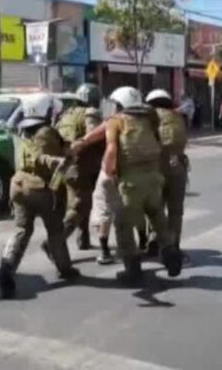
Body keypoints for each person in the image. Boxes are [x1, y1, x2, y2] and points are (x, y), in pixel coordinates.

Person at [71, 86, 183, 284]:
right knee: (158, 217)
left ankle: (132, 270)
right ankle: (170, 253)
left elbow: (112, 148)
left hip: (130, 183)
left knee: (123, 225)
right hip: (153, 178)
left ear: (121, 104)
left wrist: (108, 172)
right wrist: (85, 140)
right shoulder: (149, 117)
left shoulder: (117, 120)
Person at [0, 93, 79, 299]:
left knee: (22, 230)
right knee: (55, 231)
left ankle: (7, 266)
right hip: (41, 188)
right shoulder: (46, 132)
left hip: (19, 184)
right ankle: (64, 268)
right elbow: (50, 157)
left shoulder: (22, 130)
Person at [49, 83, 103, 251]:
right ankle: (55, 243)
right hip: (82, 167)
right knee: (81, 205)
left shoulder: (66, 115)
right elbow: (94, 135)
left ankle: (83, 239)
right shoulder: (90, 113)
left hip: (64, 167)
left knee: (78, 203)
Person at [146, 89, 188, 257]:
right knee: (175, 211)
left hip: (156, 168)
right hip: (178, 167)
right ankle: (174, 246)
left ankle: (154, 240)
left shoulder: (149, 118)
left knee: (155, 208)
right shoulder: (178, 117)